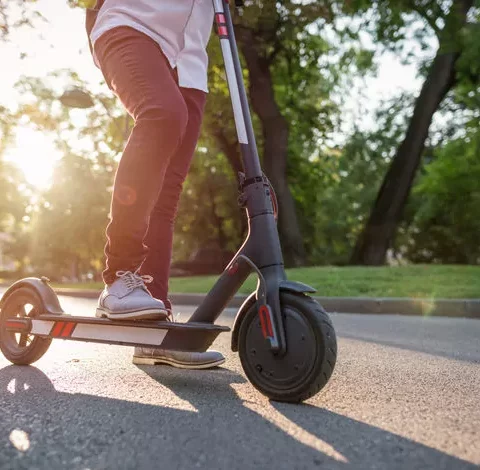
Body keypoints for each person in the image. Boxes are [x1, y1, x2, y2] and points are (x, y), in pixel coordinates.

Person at [86, 0, 225, 369]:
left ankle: (154, 331)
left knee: (167, 192)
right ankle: (118, 277)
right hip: (132, 22)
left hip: (190, 60)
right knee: (163, 114)